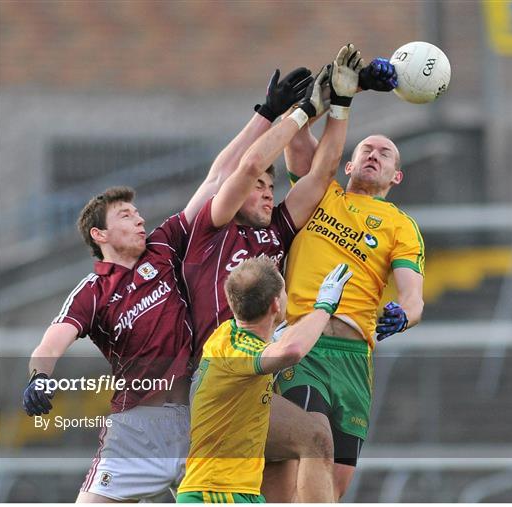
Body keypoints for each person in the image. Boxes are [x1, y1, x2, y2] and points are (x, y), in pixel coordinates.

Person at [21, 66, 313, 503]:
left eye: (137, 213)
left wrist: (267, 113)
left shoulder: (165, 245)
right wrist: (39, 376)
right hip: (137, 429)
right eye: (124, 216)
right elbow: (55, 335)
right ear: (99, 236)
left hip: (197, 416)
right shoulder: (94, 289)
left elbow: (217, 178)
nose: (139, 219)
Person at [182, 44, 397, 502]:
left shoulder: (276, 232)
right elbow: (246, 164)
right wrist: (301, 112)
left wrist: (340, 102)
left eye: (270, 186)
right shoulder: (212, 226)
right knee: (314, 436)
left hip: (259, 370)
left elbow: (320, 177)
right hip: (221, 366)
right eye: (257, 186)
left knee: (277, 476)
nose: (265, 191)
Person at [275, 73, 425, 499]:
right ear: (348, 165)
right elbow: (299, 143)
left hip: (356, 359)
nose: (375, 155)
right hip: (305, 343)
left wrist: (403, 317)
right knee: (311, 437)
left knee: (331, 489)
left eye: (386, 153)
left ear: (397, 176)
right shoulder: (322, 193)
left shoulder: (401, 226)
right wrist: (307, 102)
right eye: (367, 149)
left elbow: (413, 300)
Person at [177, 257, 352, 503]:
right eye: (283, 291)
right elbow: (290, 352)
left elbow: (276, 344)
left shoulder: (228, 334)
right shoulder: (239, 351)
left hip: (241, 494)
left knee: (298, 448)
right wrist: (324, 307)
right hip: (214, 494)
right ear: (275, 305)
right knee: (316, 439)